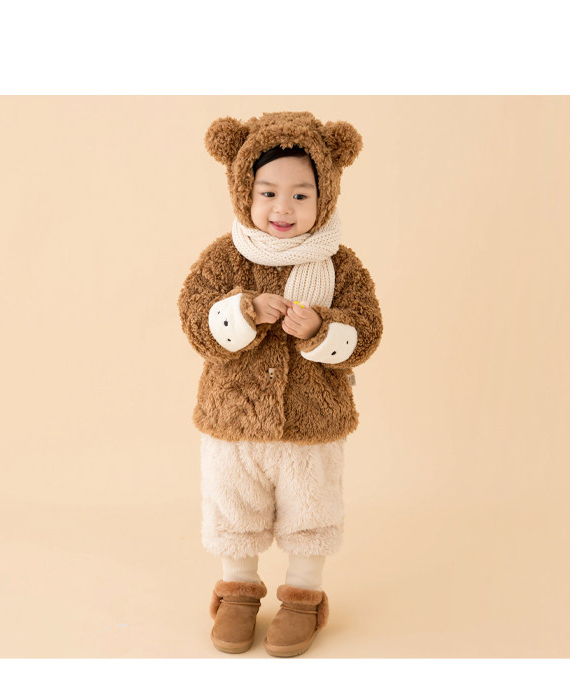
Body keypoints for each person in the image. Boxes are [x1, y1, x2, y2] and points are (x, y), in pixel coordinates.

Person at [178, 111, 383, 657]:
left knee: (310, 510)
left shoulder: (340, 265)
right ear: (244, 191)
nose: (282, 208)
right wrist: (242, 311)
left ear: (325, 194)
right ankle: (237, 591)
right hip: (234, 418)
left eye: (300, 195)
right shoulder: (225, 258)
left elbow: (366, 330)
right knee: (233, 506)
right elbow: (196, 321)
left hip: (311, 422)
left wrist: (321, 329)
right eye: (267, 193)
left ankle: (303, 596)